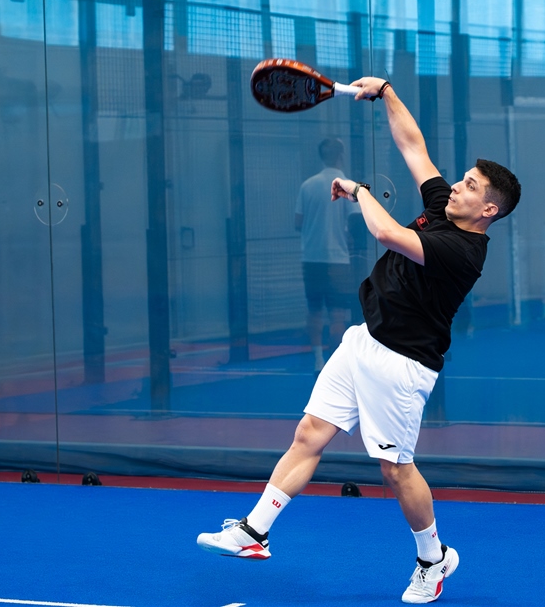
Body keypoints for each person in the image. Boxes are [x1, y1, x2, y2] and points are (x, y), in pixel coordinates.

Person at [197, 77, 521, 604]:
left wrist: (359, 190)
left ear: (488, 210)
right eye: (462, 180)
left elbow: (389, 234)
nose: (457, 187)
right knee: (309, 433)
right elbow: (414, 147)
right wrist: (387, 93)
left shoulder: (464, 251)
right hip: (363, 341)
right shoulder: (444, 205)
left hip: (403, 364)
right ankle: (254, 532)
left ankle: (433, 560)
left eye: (469, 186)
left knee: (395, 469)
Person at [296, 137, 359, 374]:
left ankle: (318, 359)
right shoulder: (348, 187)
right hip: (338, 260)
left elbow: (298, 222)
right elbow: (355, 221)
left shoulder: (307, 186)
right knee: (337, 313)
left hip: (311, 259)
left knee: (314, 310)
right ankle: (336, 365)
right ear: (341, 156)